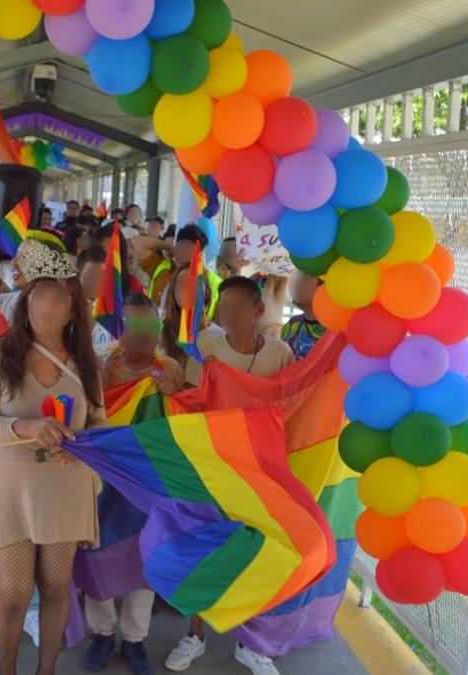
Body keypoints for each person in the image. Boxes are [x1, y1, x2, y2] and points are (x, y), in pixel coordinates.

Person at [0, 250, 106, 675]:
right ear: (25, 301)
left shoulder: (86, 362)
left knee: (55, 587)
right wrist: (24, 427)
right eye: (38, 296)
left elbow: (99, 421)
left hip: (65, 484)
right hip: (12, 485)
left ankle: (45, 670)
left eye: (57, 299)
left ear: (72, 310)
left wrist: (82, 443)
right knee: (12, 593)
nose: (45, 307)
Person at [166, 278, 294, 675]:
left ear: (258, 311)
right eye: (224, 309)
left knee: (259, 553)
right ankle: (195, 636)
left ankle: (251, 643)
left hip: (260, 470)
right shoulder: (207, 348)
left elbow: (289, 406)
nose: (229, 316)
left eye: (238, 307)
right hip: (214, 468)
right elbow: (189, 400)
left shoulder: (280, 353)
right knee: (208, 550)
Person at [82, 293, 180, 675]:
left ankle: (136, 639)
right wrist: (102, 387)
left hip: (150, 482)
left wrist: (177, 390)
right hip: (103, 481)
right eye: (133, 326)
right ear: (118, 331)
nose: (143, 334)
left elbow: (184, 420)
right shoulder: (97, 370)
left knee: (146, 556)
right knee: (98, 551)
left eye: (150, 326)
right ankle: (101, 633)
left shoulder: (169, 368)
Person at [280, 271, 326, 359]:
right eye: (299, 277)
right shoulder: (292, 324)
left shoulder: (333, 333)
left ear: (322, 288)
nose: (297, 282)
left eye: (305, 278)